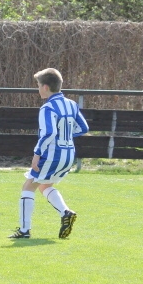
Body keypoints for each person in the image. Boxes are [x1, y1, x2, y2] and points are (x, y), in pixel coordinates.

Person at [9, 68, 89, 240]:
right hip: (69, 155)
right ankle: (65, 213)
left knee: (28, 186)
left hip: (53, 154)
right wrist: (66, 137)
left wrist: (37, 154)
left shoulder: (48, 108)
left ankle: (24, 230)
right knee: (45, 186)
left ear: (45, 87)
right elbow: (83, 128)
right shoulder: (72, 104)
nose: (37, 89)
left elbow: (48, 134)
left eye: (38, 85)